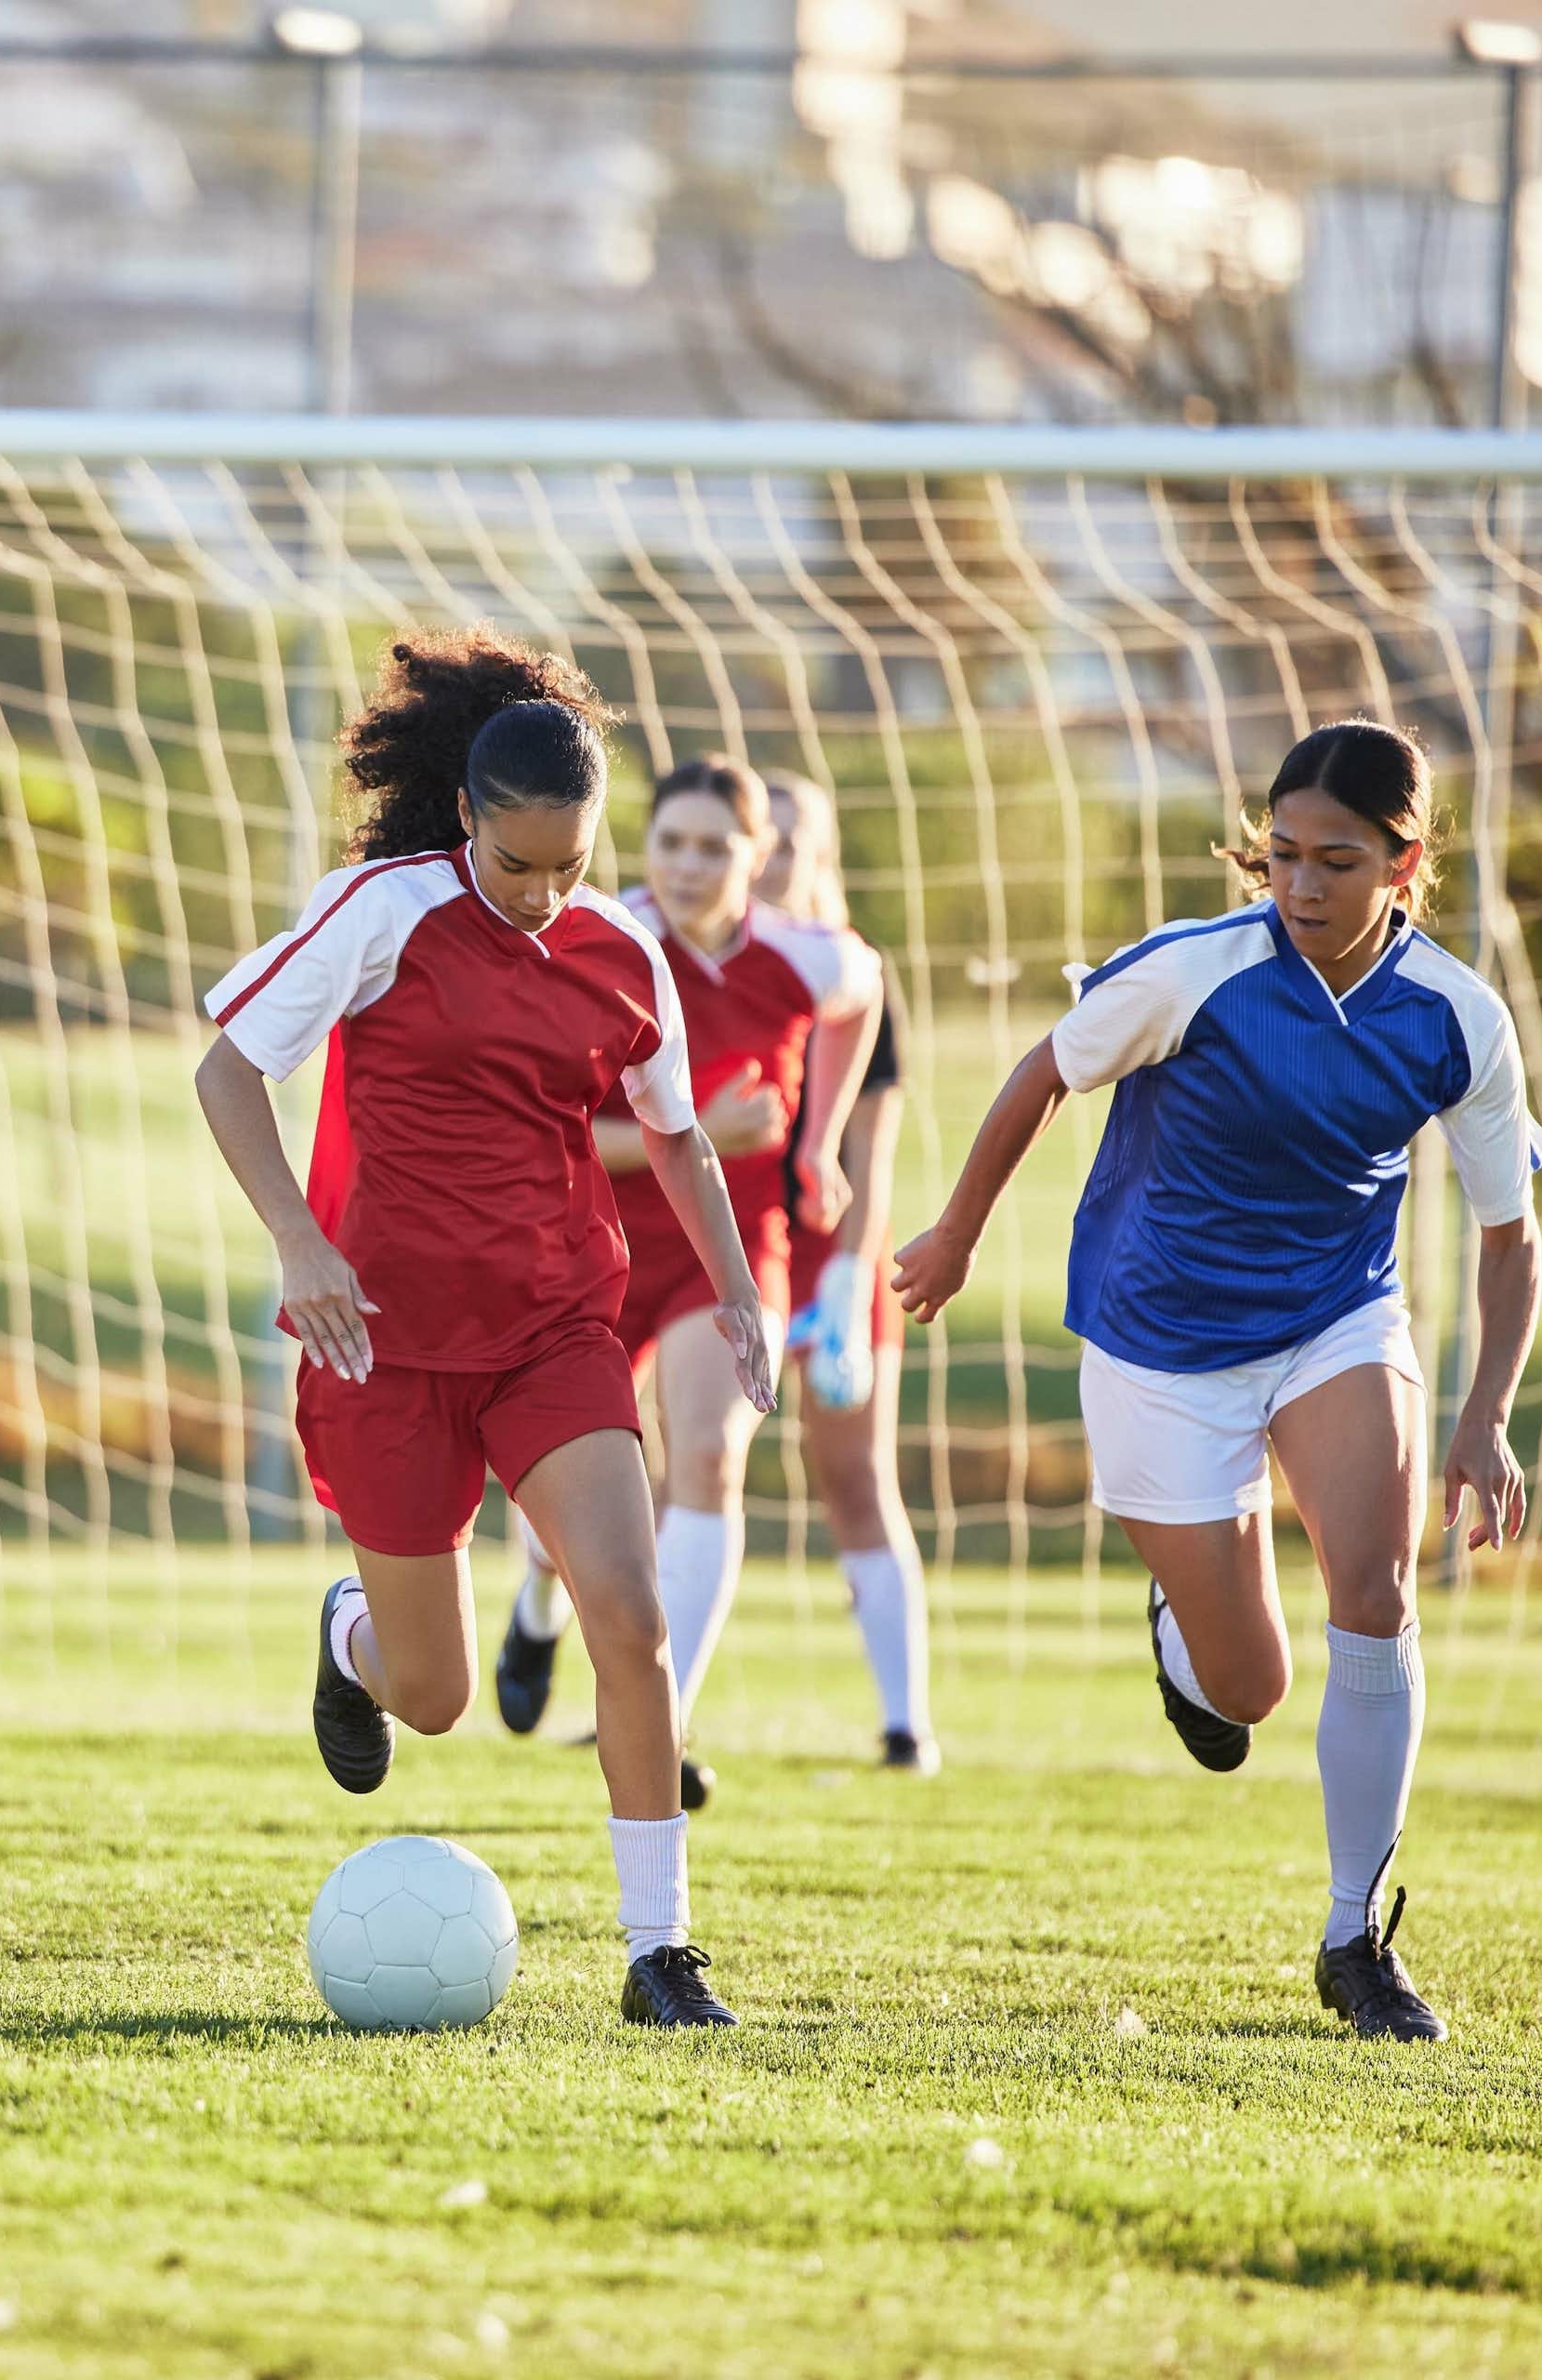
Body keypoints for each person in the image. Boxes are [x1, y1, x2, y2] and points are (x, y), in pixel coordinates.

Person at [893, 719, 1542, 2042]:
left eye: (1338, 861)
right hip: (1157, 1344)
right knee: (1247, 1688)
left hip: (1336, 1322)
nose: (1303, 886)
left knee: (1375, 1588)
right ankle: (1185, 1624)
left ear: (1405, 864)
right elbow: (1041, 1075)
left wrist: (1481, 1418)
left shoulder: (1458, 1020)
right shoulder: (1197, 972)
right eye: (1284, 857)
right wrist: (955, 1233)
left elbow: (1507, 1238)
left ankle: (1355, 1935)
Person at [194, 632, 775, 2029]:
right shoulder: (378, 912)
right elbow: (226, 1072)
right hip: (380, 1341)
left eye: (571, 865)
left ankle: (661, 1954)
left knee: (627, 1617)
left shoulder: (623, 952)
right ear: (465, 816)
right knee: (440, 1696)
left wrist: (741, 1293)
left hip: (551, 1329)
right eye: (518, 864)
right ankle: (351, 1642)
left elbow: (680, 1141)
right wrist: (299, 1236)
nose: (543, 894)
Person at [489, 758, 881, 1812]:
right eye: (673, 843)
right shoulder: (596, 941)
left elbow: (865, 990)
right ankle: (537, 1597)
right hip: (593, 1240)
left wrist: (818, 1142)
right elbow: (546, 1124)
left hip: (729, 1242)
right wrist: (698, 1131)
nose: (692, 864)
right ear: (643, 847)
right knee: (562, 1488)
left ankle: (666, 1718)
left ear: (759, 858)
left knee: (706, 1454)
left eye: (717, 846)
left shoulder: (801, 956)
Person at [758, 773, 941, 1772]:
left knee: (854, 1476)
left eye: (794, 840)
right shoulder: (696, 966)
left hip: (834, 1259)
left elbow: (870, 1164)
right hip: (725, 1256)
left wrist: (840, 1285)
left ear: (819, 854)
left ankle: (906, 1723)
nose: (774, 857)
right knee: (674, 1474)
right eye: (762, 837)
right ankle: (652, 1701)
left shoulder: (858, 976)